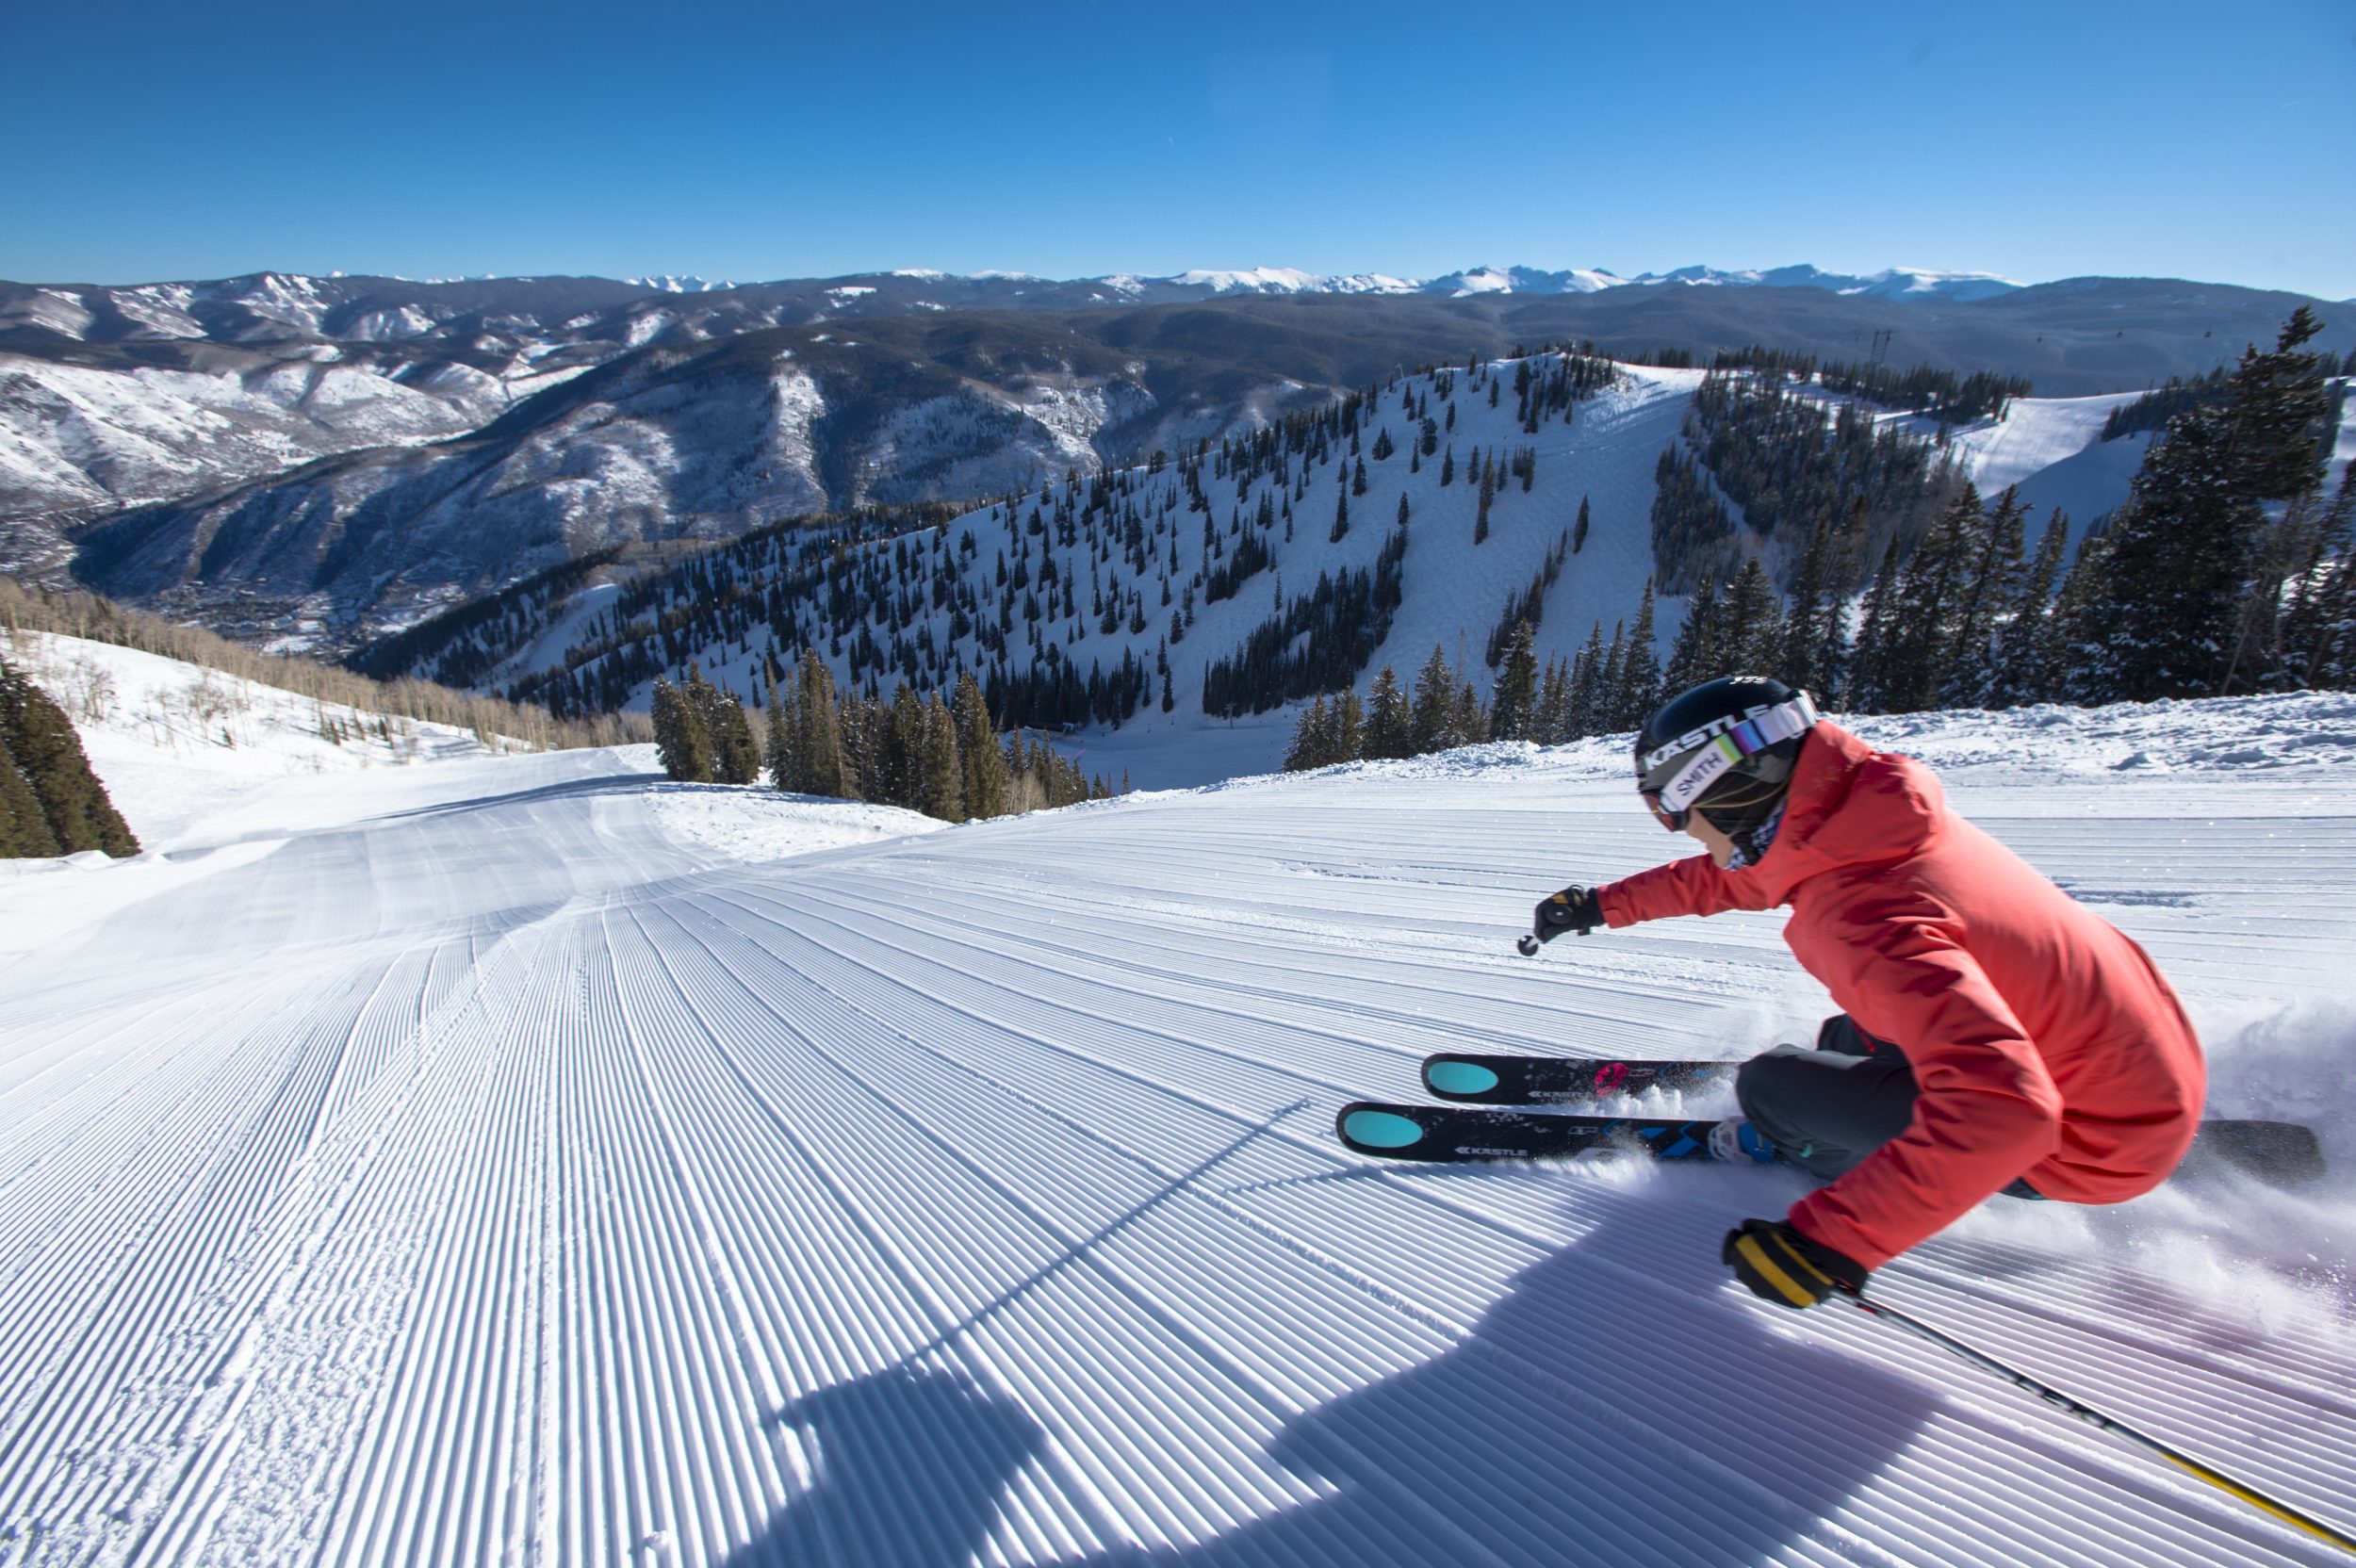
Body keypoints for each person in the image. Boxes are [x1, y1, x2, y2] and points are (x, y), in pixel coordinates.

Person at [1529, 675, 2205, 1310]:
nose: (1679, 830)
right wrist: (1601, 905)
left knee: (1771, 1088)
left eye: (1672, 810)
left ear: (1724, 786)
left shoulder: (1862, 915)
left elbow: (2007, 1112)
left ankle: (1803, 1143)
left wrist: (1830, 1242)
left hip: (2082, 1141)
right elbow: (1730, 880)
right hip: (2141, 1074)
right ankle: (1849, 1092)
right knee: (1849, 1037)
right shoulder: (1864, 821)